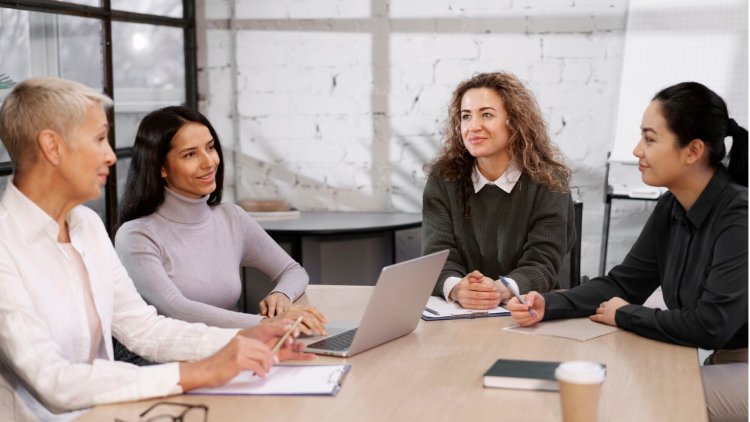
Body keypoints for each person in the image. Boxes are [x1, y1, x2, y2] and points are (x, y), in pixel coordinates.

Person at [0, 77, 313, 421]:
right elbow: (54, 382)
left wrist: (249, 339)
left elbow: (144, 329)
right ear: (52, 146)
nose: (110, 156)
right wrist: (197, 372)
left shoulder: (87, 226)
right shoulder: (5, 246)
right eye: (100, 139)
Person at [507, 82, 747, 422]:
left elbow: (711, 325)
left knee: (654, 394)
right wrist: (551, 303)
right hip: (727, 360)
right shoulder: (672, 205)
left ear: (692, 151)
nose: (637, 150)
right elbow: (625, 283)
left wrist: (625, 314)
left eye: (650, 139)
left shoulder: (740, 217)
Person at [113, 106, 327, 364]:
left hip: (230, 351)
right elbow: (175, 307)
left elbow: (292, 270)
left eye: (210, 147)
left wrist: (280, 296)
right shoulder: (136, 235)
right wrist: (264, 324)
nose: (209, 162)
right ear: (161, 168)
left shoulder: (231, 218)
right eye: (190, 154)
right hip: (164, 365)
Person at [422, 71, 575, 310]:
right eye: (466, 116)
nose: (473, 127)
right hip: (457, 313)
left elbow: (543, 264)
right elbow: (437, 255)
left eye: (486, 115)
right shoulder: (443, 179)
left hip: (524, 311)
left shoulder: (549, 182)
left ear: (514, 121)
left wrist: (499, 289)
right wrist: (458, 288)